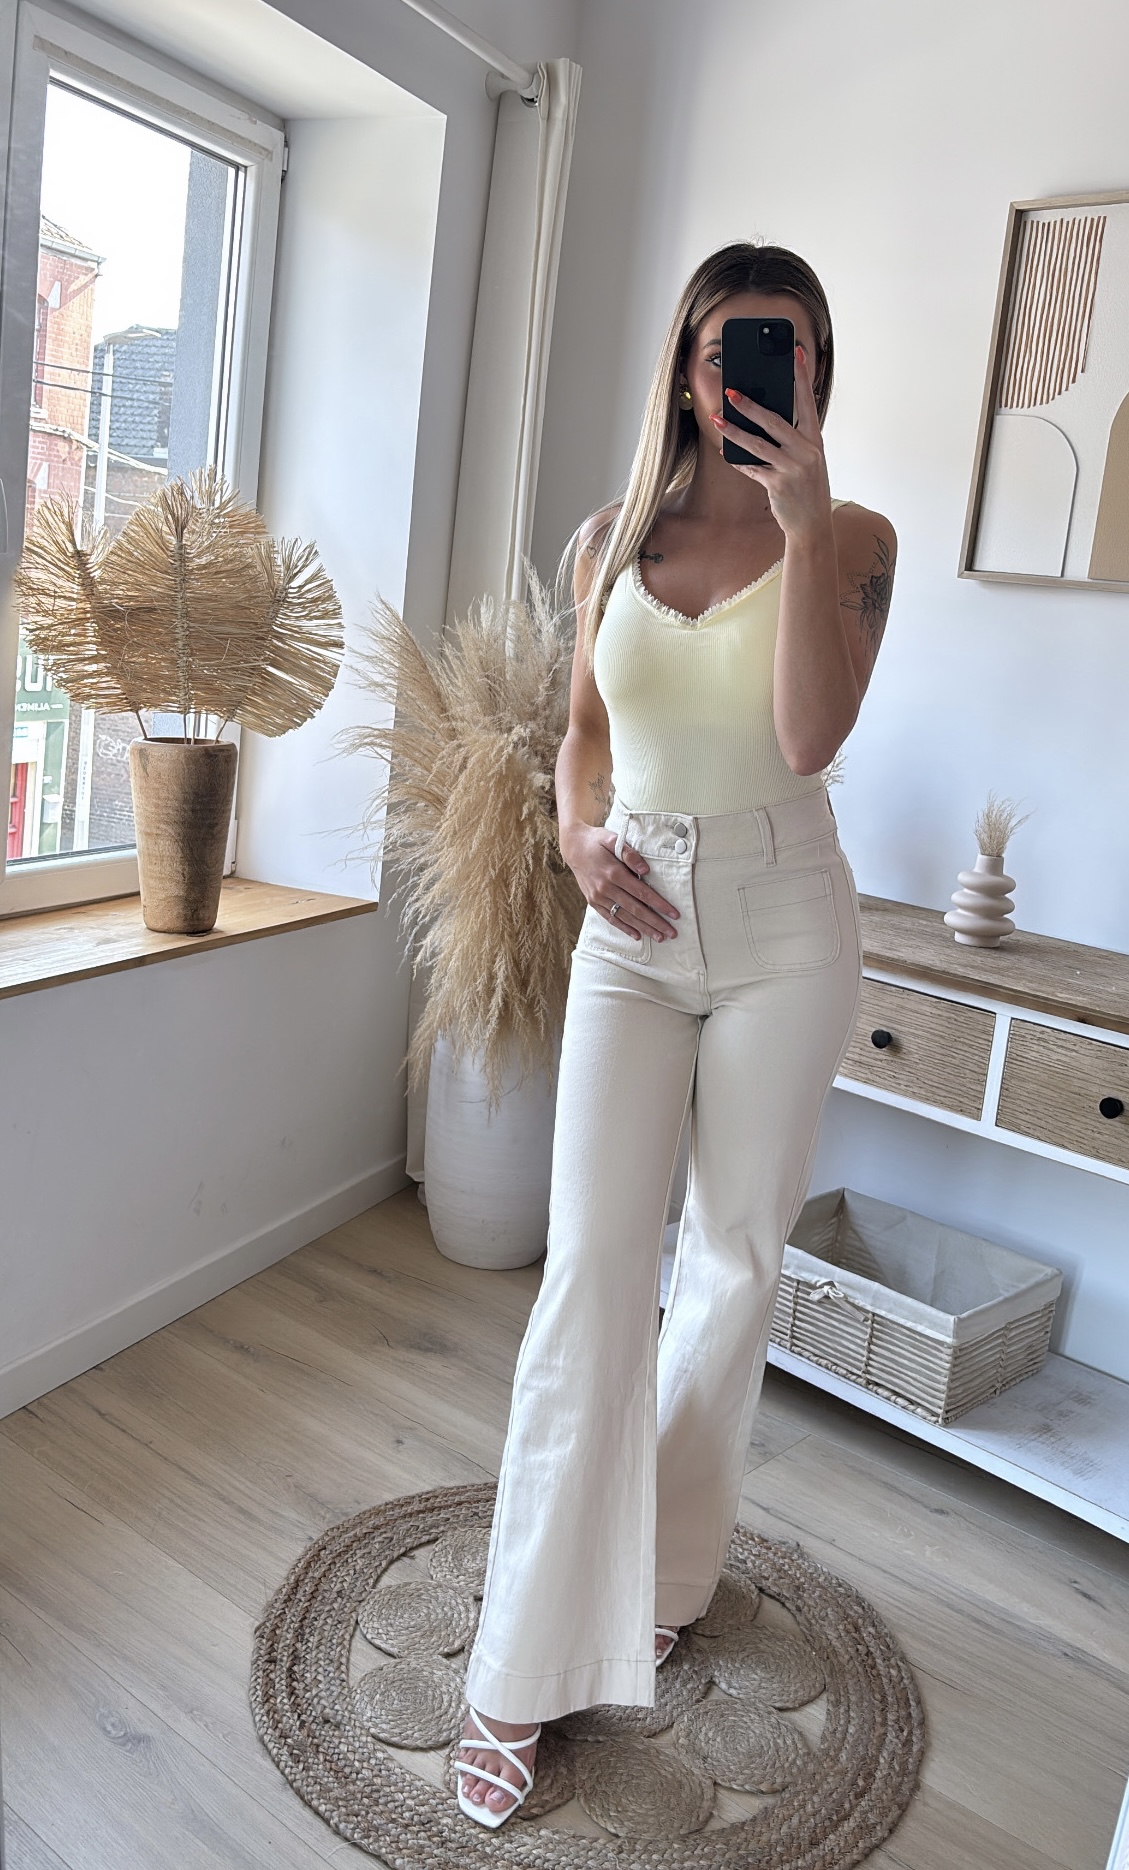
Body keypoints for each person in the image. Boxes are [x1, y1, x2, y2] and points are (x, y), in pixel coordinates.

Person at [454, 241, 896, 1827]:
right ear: (684, 366)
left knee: (729, 1266)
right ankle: (517, 1661)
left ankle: (664, 1573)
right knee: (588, 1272)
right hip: (631, 921)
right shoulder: (603, 539)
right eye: (722, 350)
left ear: (814, 368)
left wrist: (801, 521)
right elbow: (584, 738)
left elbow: (806, 736)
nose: (745, 377)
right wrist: (576, 836)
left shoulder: (855, 542)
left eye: (779, 350)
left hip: (784, 921)